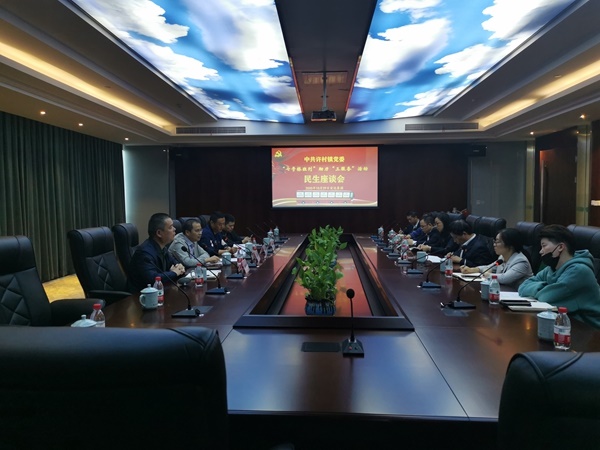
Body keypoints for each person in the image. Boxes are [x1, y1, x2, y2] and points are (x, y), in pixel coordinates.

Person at [518, 225, 600, 328]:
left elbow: (547, 298)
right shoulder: (551, 269)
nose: (540, 251)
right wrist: (547, 287)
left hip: (589, 330)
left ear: (560, 247)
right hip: (565, 323)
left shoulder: (579, 271)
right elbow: (523, 287)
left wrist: (544, 289)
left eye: (544, 246)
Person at [460, 228, 533, 289]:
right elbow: (489, 267)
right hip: (504, 292)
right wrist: (472, 269)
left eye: (497, 242)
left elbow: (504, 278)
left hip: (520, 297)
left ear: (510, 245)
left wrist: (487, 274)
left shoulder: (521, 261)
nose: (494, 245)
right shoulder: (502, 257)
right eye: (494, 242)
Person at [129, 213, 185, 290]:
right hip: (141, 295)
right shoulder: (144, 253)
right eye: (170, 227)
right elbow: (153, 279)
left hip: (160, 291)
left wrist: (179, 267)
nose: (174, 229)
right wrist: (174, 273)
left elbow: (175, 264)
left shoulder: (163, 248)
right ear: (159, 233)